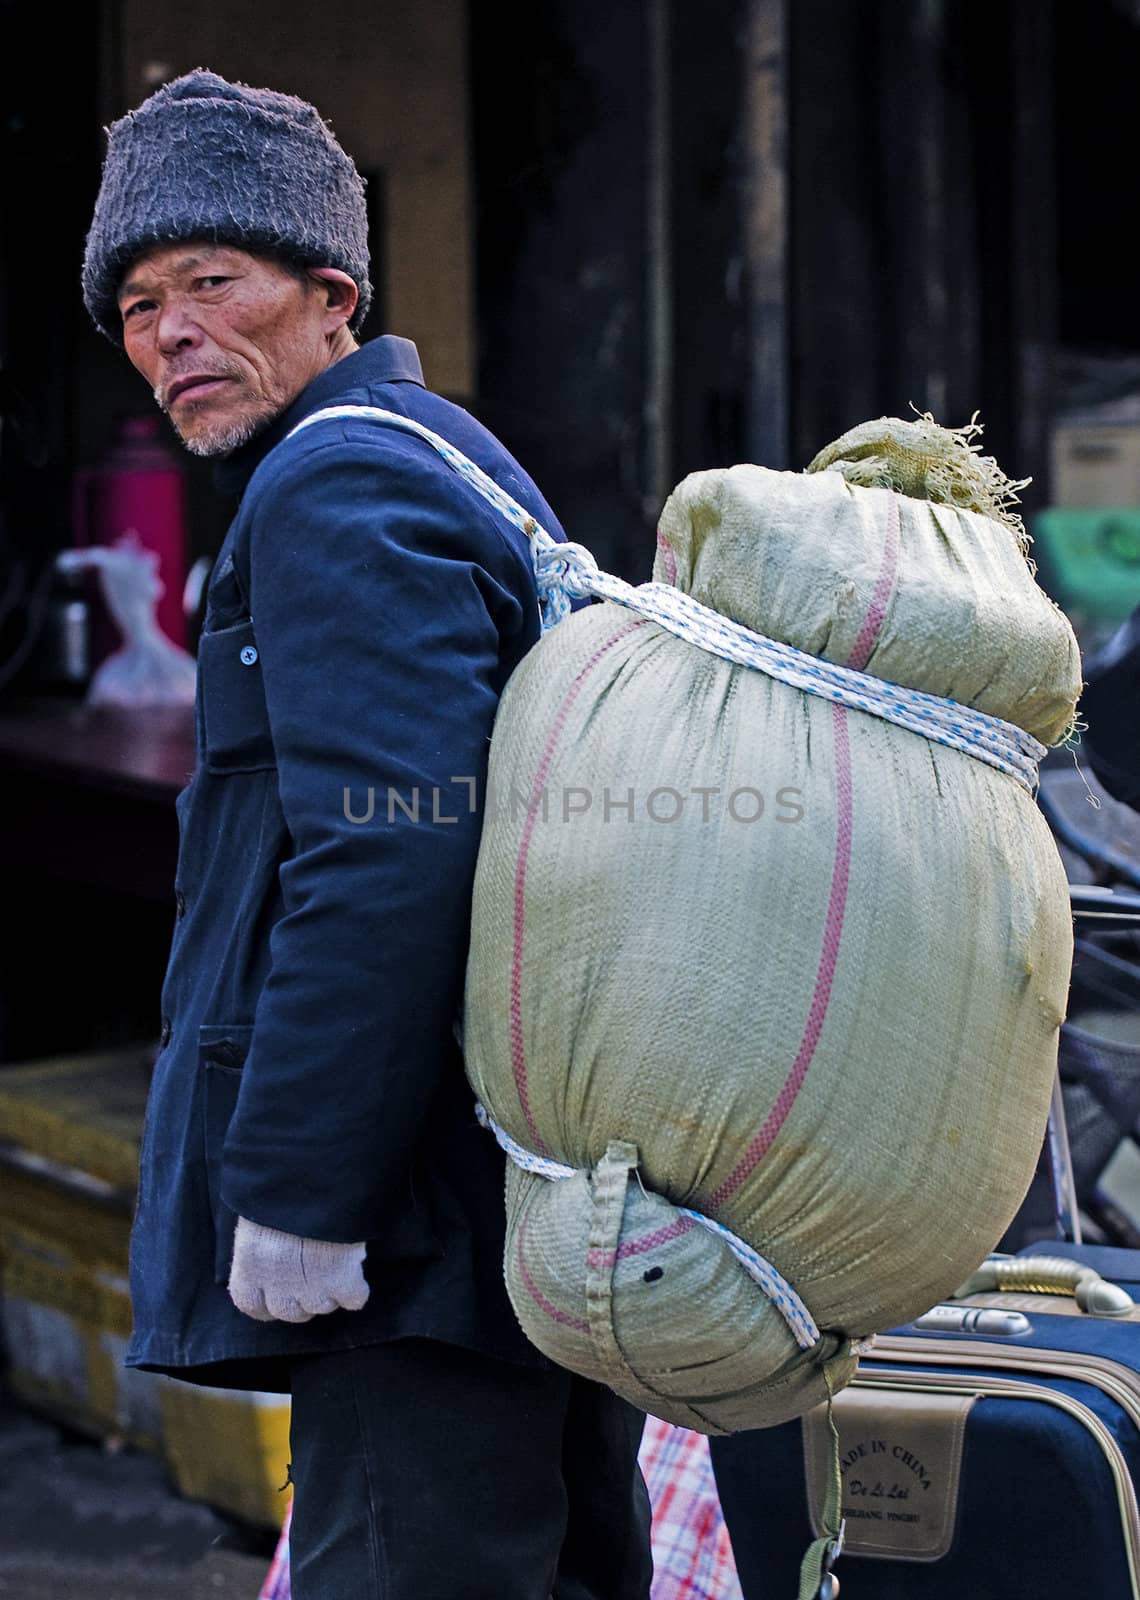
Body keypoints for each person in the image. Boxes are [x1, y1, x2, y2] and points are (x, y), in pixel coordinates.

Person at [81, 69, 652, 1600]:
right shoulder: (441, 451)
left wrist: (301, 1193)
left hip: (408, 1241)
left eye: (212, 280)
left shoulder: (333, 490)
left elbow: (394, 846)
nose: (169, 333)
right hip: (512, 1184)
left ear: (329, 291)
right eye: (136, 302)